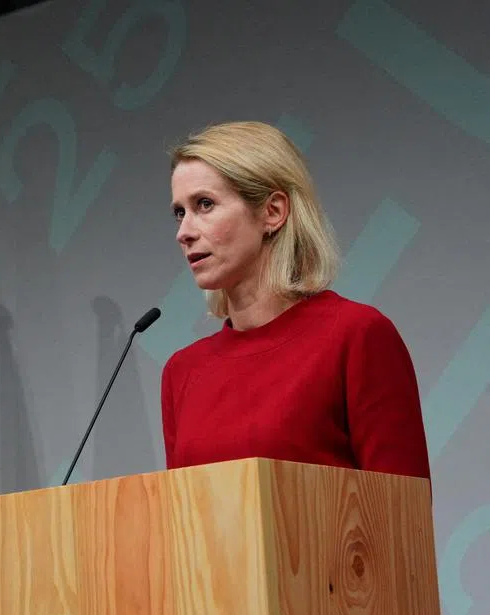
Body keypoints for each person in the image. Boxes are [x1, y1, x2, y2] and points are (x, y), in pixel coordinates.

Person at [160, 120, 431, 479]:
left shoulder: (357, 337)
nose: (184, 232)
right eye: (180, 212)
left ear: (273, 212)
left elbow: (400, 515)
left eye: (205, 205)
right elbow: (181, 523)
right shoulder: (182, 372)